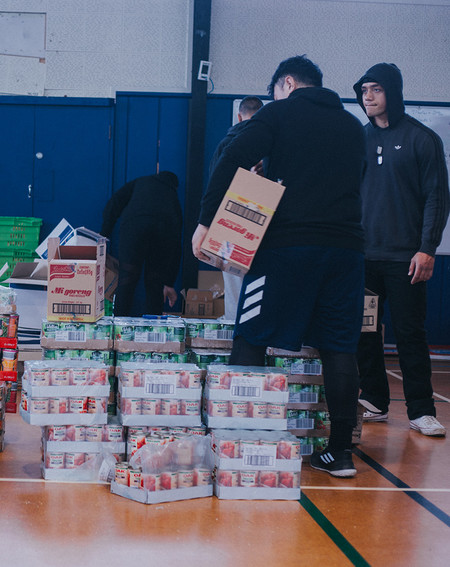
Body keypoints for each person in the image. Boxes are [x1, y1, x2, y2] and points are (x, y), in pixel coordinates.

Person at [192, 56, 366, 477]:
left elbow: (230, 160)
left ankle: (240, 440)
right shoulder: (352, 126)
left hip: (287, 246)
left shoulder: (279, 113)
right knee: (340, 347)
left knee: (252, 334)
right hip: (346, 250)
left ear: (287, 83)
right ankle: (339, 452)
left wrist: (205, 221)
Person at [353, 63, 450, 437]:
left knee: (410, 334)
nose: (368, 97)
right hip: (363, 258)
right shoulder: (358, 139)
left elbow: (437, 199)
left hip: (406, 258)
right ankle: (374, 400)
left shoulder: (422, 139)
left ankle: (421, 410)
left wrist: (427, 249)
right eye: (364, 91)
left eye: (375, 89)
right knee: (364, 332)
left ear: (392, 92)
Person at [209, 96, 264, 320]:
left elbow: (214, 186)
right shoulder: (269, 144)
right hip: (265, 226)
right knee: (262, 285)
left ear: (239, 116)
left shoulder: (227, 143)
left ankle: (235, 338)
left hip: (230, 223)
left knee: (234, 286)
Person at [100, 170, 183, 316]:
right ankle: (152, 329)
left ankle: (119, 325)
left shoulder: (140, 181)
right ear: (174, 186)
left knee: (127, 279)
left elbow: (114, 203)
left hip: (134, 228)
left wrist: (104, 235)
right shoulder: (173, 197)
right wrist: (169, 282)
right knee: (155, 282)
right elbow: (176, 245)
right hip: (163, 230)